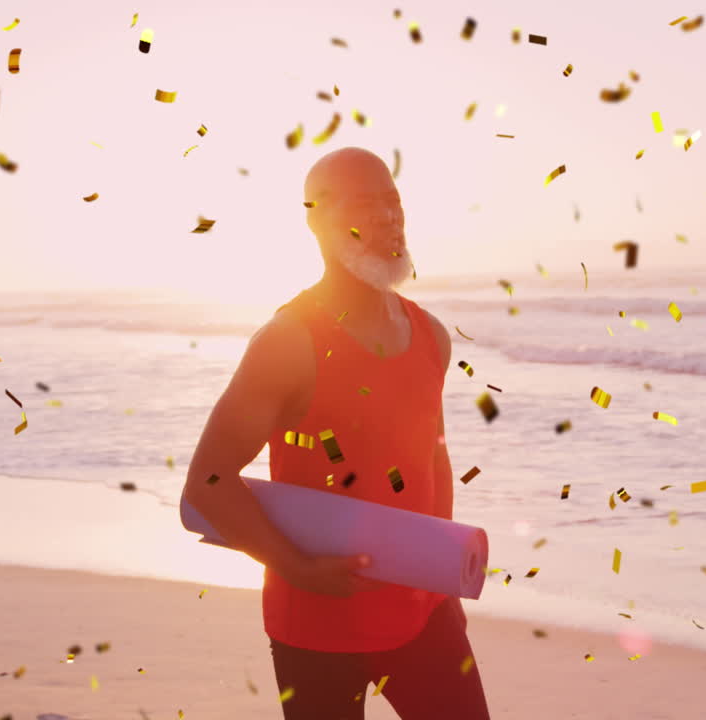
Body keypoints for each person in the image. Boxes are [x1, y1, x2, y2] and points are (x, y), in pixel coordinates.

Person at [182, 147, 491, 719]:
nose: (387, 218)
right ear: (318, 221)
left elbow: (433, 460)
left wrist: (445, 577)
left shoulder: (430, 336)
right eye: (365, 205)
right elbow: (207, 484)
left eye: (392, 202)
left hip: (424, 618)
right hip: (315, 628)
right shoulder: (289, 342)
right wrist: (298, 569)